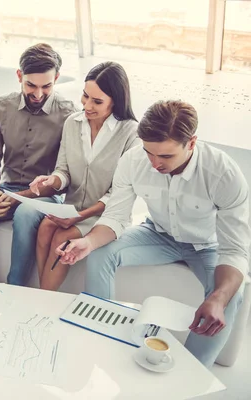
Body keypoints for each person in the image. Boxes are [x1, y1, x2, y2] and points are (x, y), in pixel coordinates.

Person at [56, 100, 250, 367]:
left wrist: (218, 296)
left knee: (229, 295)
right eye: (150, 152)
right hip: (157, 234)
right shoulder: (134, 160)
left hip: (207, 245)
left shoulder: (223, 174)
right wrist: (88, 242)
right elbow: (115, 217)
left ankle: (191, 373)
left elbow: (235, 249)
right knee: (99, 254)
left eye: (166, 156)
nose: (155, 163)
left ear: (191, 143)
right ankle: (100, 337)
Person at [0, 43, 77, 286]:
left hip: (45, 196)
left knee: (24, 213)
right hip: (6, 188)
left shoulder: (69, 115)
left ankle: (15, 287)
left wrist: (19, 197)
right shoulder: (0, 107)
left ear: (57, 79)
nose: (39, 94)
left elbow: (64, 177)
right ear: (19, 76)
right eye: (31, 85)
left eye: (47, 86)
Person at [30, 62, 139, 291]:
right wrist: (53, 180)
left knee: (63, 238)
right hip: (71, 209)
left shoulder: (130, 133)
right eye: (85, 96)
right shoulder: (73, 123)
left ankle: (42, 299)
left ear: (115, 101)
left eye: (97, 101)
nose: (87, 106)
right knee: (45, 228)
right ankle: (44, 295)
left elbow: (118, 194)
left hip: (104, 215)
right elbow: (64, 170)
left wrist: (80, 216)